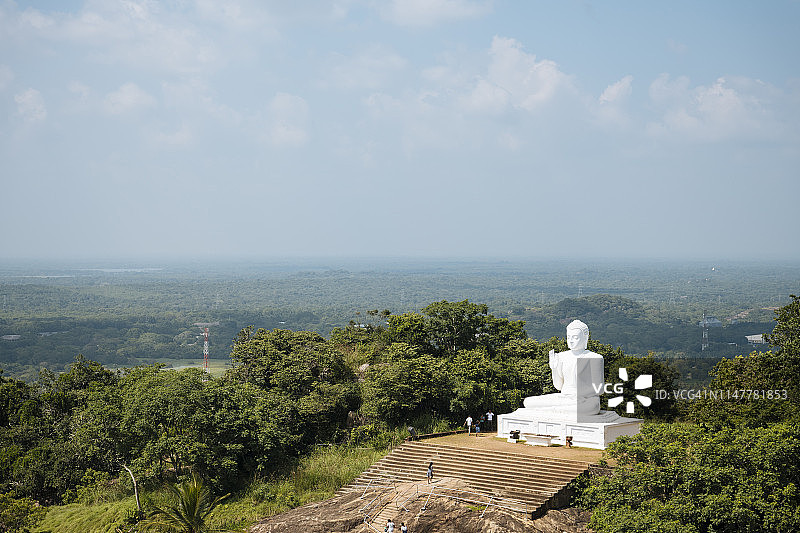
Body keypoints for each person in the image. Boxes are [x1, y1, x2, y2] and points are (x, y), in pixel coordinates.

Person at [522, 320, 604, 417]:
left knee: (591, 408)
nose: (571, 340)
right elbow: (559, 386)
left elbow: (599, 389)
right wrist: (554, 368)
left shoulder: (595, 357)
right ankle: (556, 410)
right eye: (568, 337)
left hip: (586, 399)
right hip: (564, 398)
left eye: (575, 337)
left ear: (585, 338)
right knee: (528, 402)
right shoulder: (562, 357)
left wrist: (579, 394)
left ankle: (549, 410)